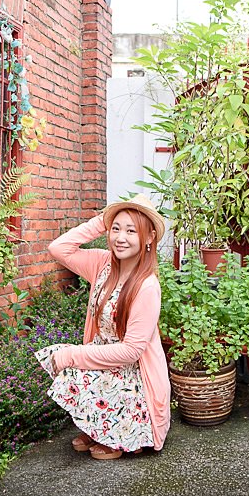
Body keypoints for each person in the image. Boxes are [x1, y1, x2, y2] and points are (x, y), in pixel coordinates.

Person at [35, 194, 171, 460]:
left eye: (131, 231)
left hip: (132, 372)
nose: (121, 238)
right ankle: (100, 428)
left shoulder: (147, 286)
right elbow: (58, 249)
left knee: (75, 361)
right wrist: (101, 221)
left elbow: (130, 352)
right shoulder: (102, 264)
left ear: (149, 238)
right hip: (102, 356)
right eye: (116, 229)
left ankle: (121, 435)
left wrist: (75, 355)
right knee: (72, 362)